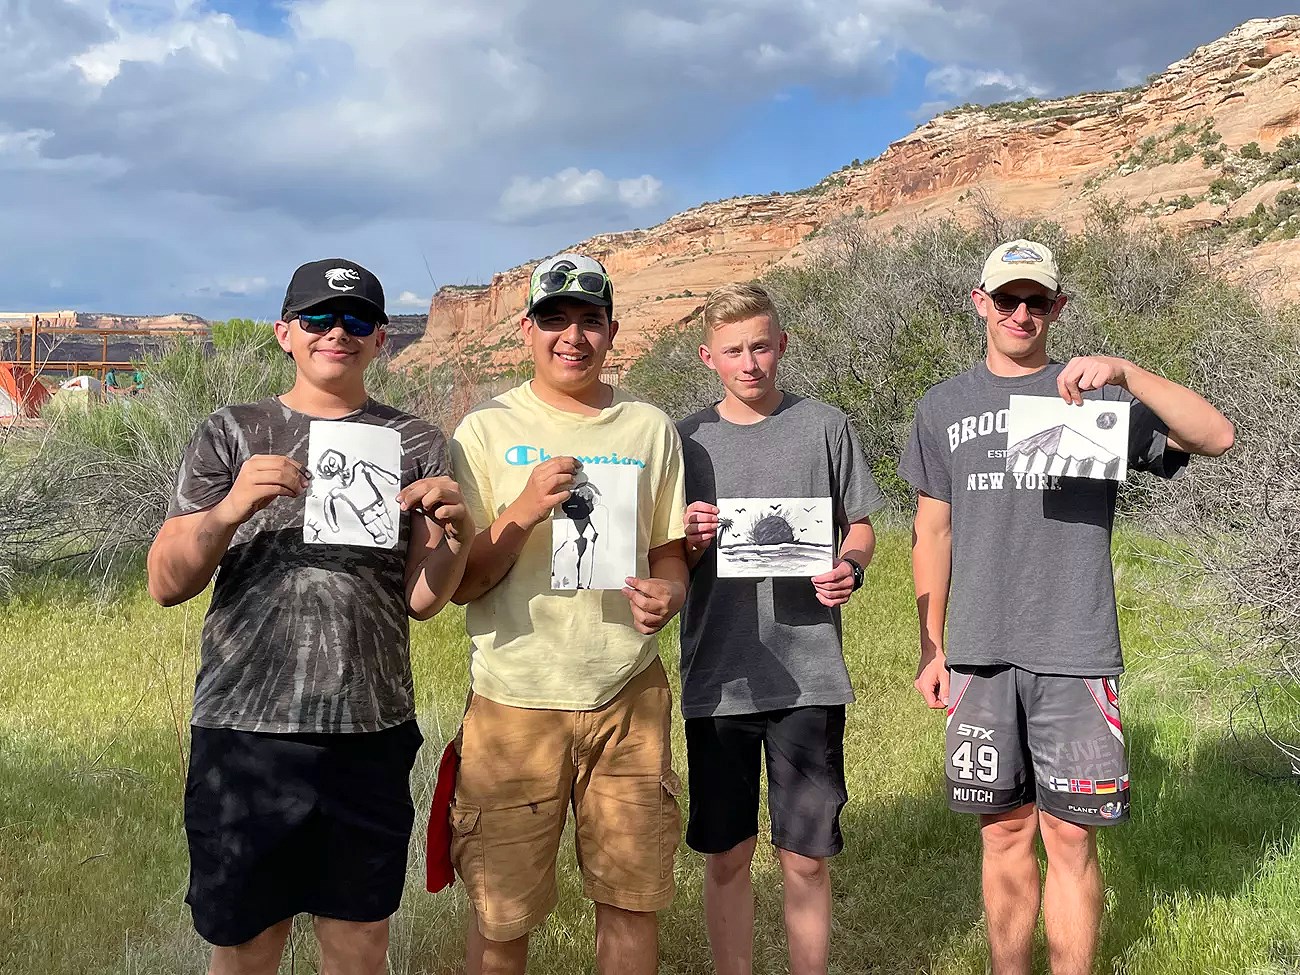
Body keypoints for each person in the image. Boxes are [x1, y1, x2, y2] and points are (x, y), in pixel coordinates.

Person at [899, 239, 1234, 975]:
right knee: (1002, 834)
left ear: (1059, 308)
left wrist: (1127, 370)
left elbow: (1217, 436)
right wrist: (932, 645)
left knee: (1073, 839)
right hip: (981, 654)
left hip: (1075, 649)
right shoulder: (943, 405)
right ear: (980, 302)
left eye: (1038, 301)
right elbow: (932, 530)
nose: (1022, 313)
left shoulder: (1100, 398)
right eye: (1008, 299)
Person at [146, 258, 474, 975]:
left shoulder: (415, 443)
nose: (337, 333)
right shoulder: (233, 430)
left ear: (382, 339)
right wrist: (232, 507)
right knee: (247, 944)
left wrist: (456, 534)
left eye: (357, 320)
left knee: (358, 946)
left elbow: (420, 600)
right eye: (319, 318)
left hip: (370, 731)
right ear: (284, 333)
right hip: (245, 730)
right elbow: (165, 581)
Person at [447, 252, 688, 975]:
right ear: (526, 329)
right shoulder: (484, 431)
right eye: (554, 319)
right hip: (514, 701)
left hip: (627, 697)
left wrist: (669, 593)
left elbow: (669, 552)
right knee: (502, 912)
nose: (572, 336)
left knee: (631, 899)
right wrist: (521, 509)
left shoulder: (649, 427)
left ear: (612, 330)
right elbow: (465, 583)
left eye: (589, 320)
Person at [675, 283, 884, 975]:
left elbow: (860, 524)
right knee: (728, 855)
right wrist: (687, 539)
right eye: (733, 349)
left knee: (805, 856)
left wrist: (849, 564)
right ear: (709, 356)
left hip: (809, 673)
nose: (750, 362)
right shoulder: (684, 440)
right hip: (719, 675)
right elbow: (661, 553)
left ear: (783, 344)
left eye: (761, 345)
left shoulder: (826, 425)